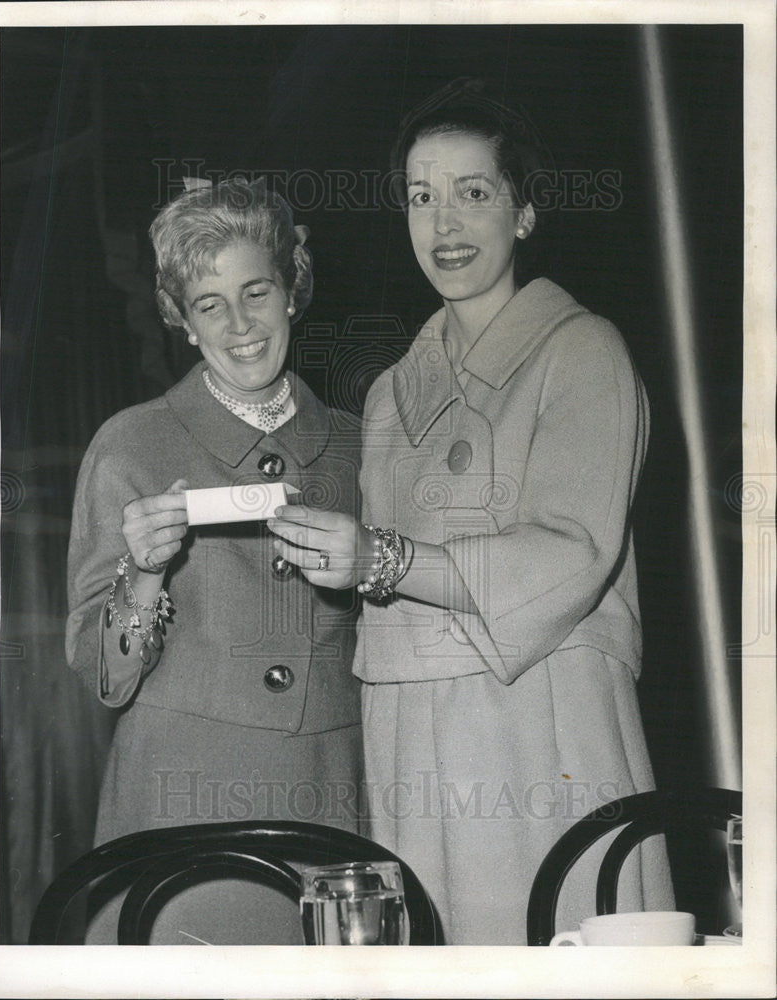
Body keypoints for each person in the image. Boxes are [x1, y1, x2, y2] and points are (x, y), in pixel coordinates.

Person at [268, 79, 674, 944]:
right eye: (422, 197)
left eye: (473, 193)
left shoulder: (583, 349)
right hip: (410, 732)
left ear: (524, 214)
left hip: (534, 720)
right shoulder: (387, 395)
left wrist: (380, 559)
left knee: (552, 940)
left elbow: (571, 551)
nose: (443, 224)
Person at [66, 177, 362, 941]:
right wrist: (145, 572)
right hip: (178, 801)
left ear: (292, 290)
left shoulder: (362, 445)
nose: (240, 324)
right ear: (182, 321)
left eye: (256, 291)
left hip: (329, 801)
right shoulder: (130, 444)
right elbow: (107, 674)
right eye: (209, 304)